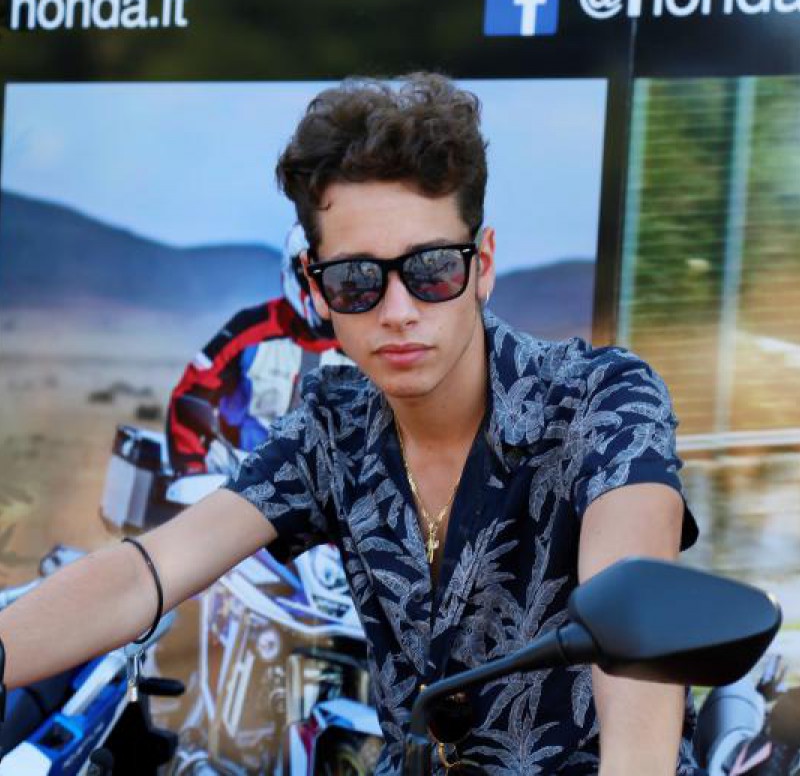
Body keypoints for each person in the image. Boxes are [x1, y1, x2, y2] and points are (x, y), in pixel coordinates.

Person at [0, 73, 703, 775]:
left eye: (432, 270)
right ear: (317, 290)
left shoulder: (602, 398)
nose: (397, 311)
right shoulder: (331, 430)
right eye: (356, 281)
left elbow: (633, 608)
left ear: (482, 265)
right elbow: (145, 574)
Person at [166, 224, 346, 474]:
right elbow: (192, 395)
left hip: (328, 489)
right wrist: (192, 472)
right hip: (236, 478)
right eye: (312, 273)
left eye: (337, 275)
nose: (324, 287)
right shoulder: (250, 328)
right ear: (293, 270)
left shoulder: (363, 344)